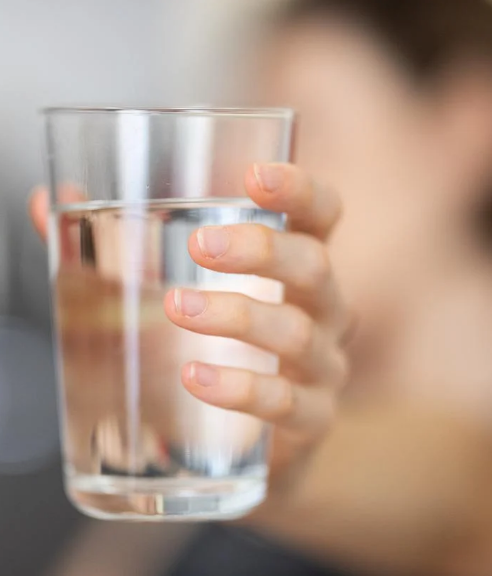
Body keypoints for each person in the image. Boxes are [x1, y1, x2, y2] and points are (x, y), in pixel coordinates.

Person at [30, 0, 492, 574]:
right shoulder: (222, 420)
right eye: (237, 138)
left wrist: (286, 472)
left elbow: (461, 491)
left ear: (468, 125)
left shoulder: (460, 472)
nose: (239, 179)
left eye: (308, 129)